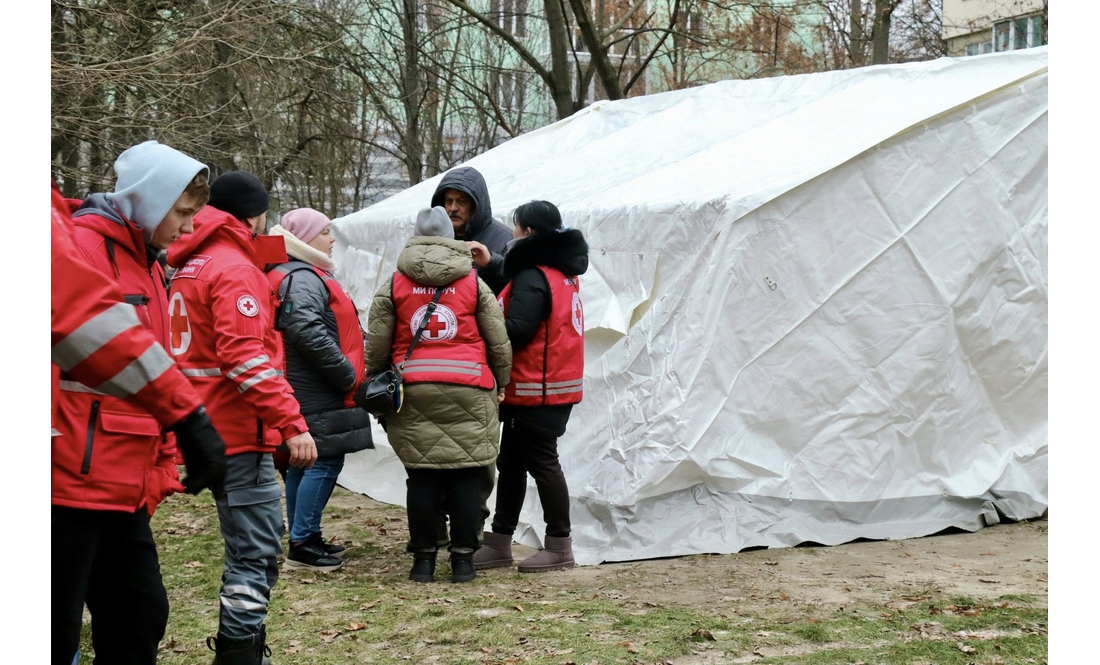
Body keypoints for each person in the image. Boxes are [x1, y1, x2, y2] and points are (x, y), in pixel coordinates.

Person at [51, 172, 228, 665]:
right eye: (181, 213)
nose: (189, 228)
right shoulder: (83, 246)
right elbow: (92, 338)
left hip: (115, 475)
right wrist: (188, 422)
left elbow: (152, 362)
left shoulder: (147, 260)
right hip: (69, 474)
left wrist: (162, 458)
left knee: (140, 614)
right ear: (149, 203)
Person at [166, 171, 318, 664]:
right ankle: (240, 654)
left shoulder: (185, 263)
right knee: (254, 556)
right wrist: (291, 423)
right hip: (236, 432)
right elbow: (247, 359)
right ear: (254, 215)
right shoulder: (235, 268)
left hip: (198, 430)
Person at [364, 206, 511, 583]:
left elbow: (377, 344)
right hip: (470, 388)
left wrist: (377, 379)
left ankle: (423, 562)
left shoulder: (395, 283)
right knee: (465, 477)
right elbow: (498, 340)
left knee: (423, 478)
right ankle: (463, 562)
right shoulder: (472, 282)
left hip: (413, 390)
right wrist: (503, 383)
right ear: (452, 238)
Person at [472, 200, 588, 573]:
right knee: (513, 462)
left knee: (541, 462)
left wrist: (479, 329)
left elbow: (518, 327)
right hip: (551, 384)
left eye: (517, 227)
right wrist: (492, 265)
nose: (512, 234)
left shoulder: (533, 275)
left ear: (530, 233)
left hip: (537, 388)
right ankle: (501, 540)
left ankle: (559, 545)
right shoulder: (559, 270)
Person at [267, 208, 373, 572]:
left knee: (306, 462)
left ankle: (305, 536)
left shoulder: (295, 273)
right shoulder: (302, 277)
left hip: (307, 387)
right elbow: (306, 329)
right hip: (318, 389)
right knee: (323, 460)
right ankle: (302, 543)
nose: (331, 238)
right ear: (305, 238)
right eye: (326, 231)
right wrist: (346, 374)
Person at [428, 166, 513, 548]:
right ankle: (437, 526)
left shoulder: (501, 239)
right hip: (433, 362)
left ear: (477, 206)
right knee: (434, 449)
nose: (453, 209)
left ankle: (471, 527)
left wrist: (490, 262)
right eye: (447, 202)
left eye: (461, 202)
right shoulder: (430, 237)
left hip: (477, 367)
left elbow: (517, 289)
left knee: (478, 454)